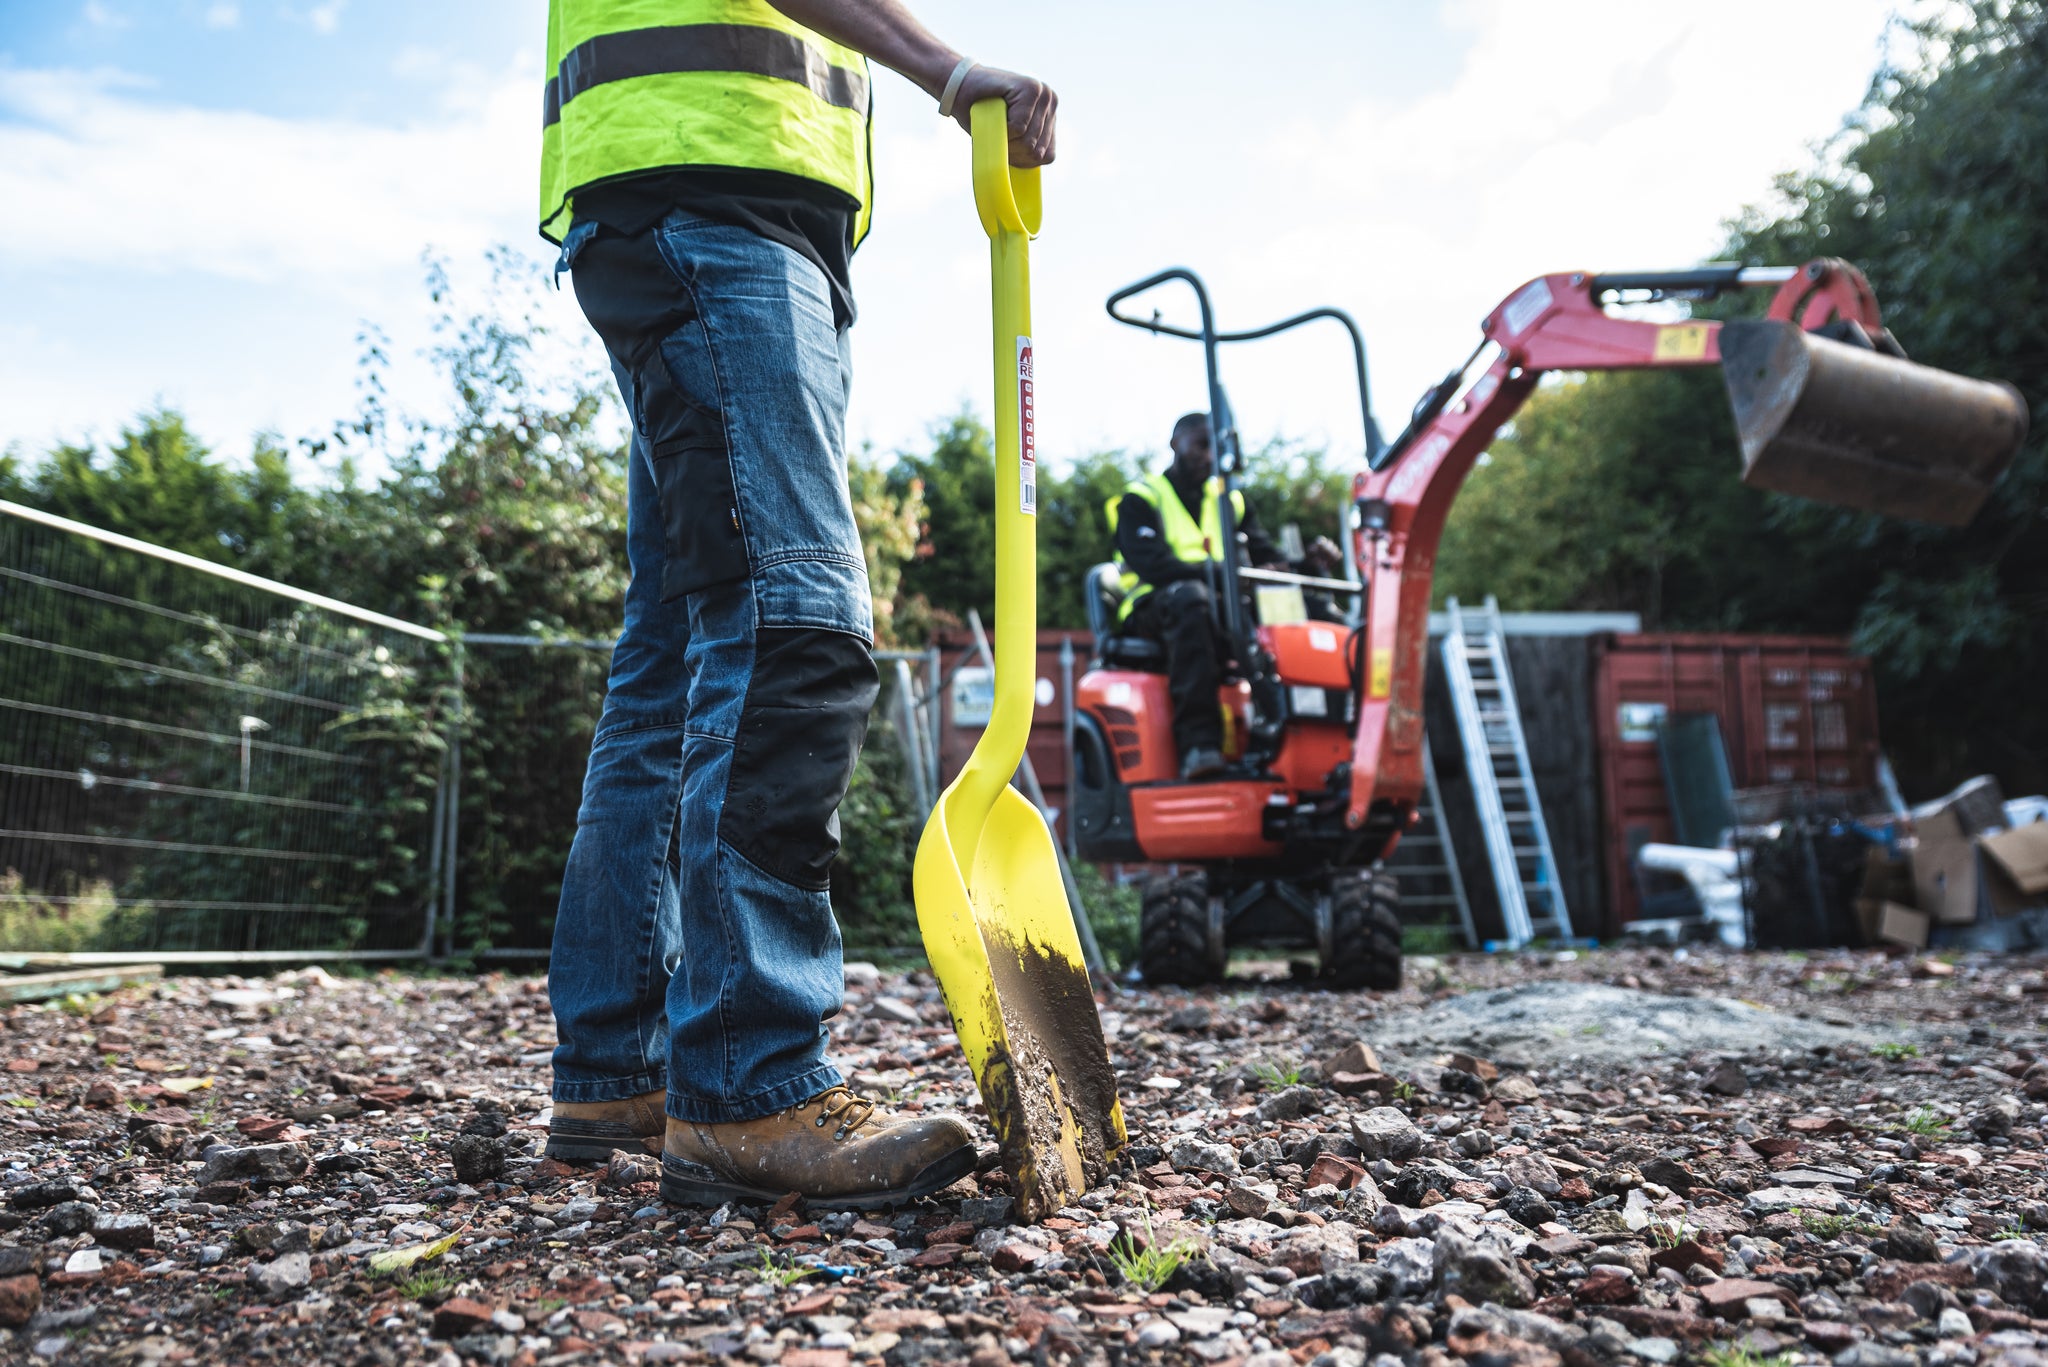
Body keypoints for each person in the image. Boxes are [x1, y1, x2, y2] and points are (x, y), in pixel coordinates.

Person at [537, 0, 1057, 1208]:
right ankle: (749, 1086)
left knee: (670, 652)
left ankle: (620, 1070)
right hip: (715, 207)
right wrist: (944, 67)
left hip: (677, 201)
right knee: (796, 622)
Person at [1109, 413, 1341, 778]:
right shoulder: (1141, 498)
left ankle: (1322, 735)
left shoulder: (1230, 501)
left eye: (1216, 448)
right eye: (1201, 445)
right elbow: (1155, 568)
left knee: (1312, 611)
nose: (1209, 456)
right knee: (1192, 600)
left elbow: (1268, 559)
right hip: (1155, 609)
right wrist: (1226, 576)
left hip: (1220, 604)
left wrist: (1306, 564)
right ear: (1175, 443)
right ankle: (1199, 746)